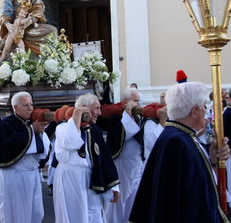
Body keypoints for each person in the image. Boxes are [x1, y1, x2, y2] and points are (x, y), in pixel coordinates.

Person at [129, 82, 230, 223]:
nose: (206, 112)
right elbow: (174, 201)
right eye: (203, 107)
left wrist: (213, 159)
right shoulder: (176, 142)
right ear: (194, 111)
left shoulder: (183, 136)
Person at [53, 93, 120, 223]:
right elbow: (71, 141)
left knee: (93, 214)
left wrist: (113, 186)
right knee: (75, 217)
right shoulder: (62, 128)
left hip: (90, 179)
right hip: (71, 179)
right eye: (96, 108)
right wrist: (77, 114)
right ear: (84, 108)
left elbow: (105, 159)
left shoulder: (94, 130)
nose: (99, 113)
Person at [0, 91, 50, 223]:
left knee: (36, 212)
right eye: (25, 105)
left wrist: (39, 131)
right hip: (15, 174)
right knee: (17, 213)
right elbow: (11, 145)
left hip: (32, 173)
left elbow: (43, 147)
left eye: (31, 104)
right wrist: (31, 130)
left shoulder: (31, 122)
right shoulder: (7, 123)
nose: (30, 108)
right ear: (15, 107)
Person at [105, 86, 143, 223]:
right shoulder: (115, 117)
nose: (138, 104)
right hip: (122, 161)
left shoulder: (138, 116)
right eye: (135, 101)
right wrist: (127, 112)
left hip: (136, 161)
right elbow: (124, 134)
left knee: (134, 197)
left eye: (139, 101)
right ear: (126, 101)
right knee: (120, 197)